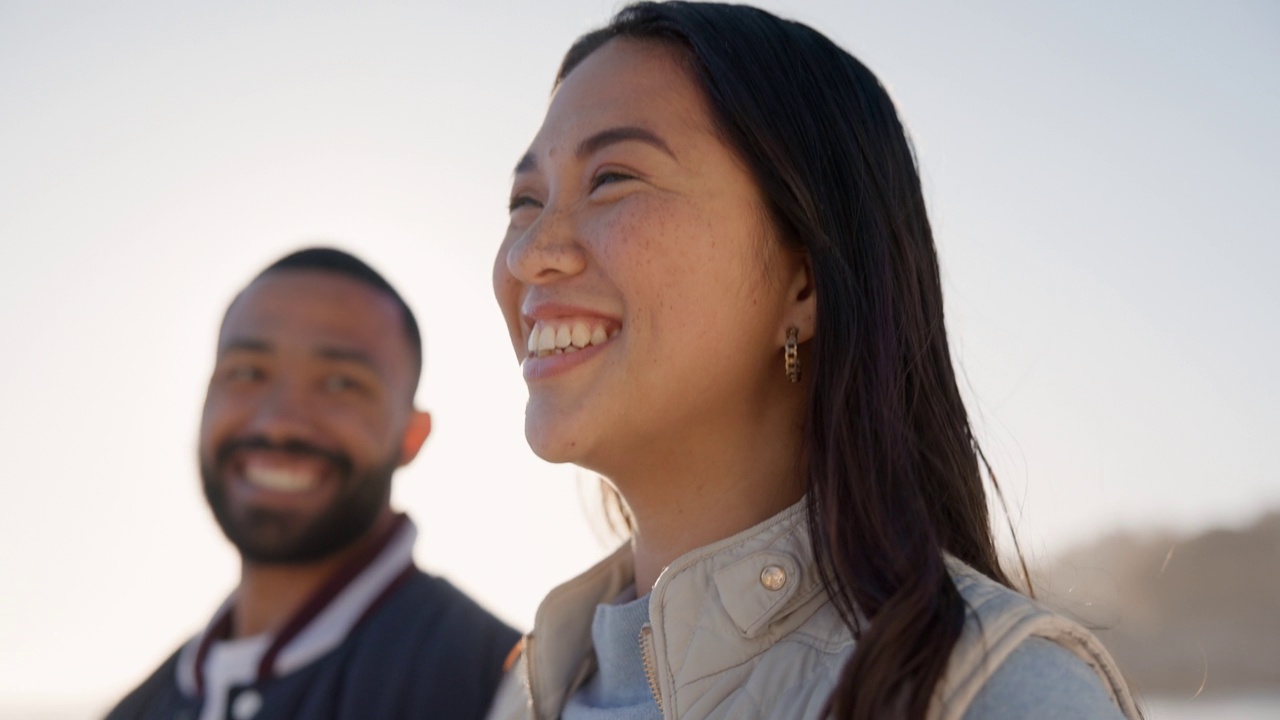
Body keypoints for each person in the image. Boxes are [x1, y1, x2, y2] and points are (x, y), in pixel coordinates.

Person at [489, 3, 1140, 719]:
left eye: (613, 178)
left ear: (805, 283)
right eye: (525, 200)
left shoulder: (993, 693)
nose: (529, 253)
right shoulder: (532, 690)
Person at [108, 247, 519, 720]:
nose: (280, 422)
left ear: (412, 435)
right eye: (247, 373)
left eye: (340, 383)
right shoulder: (138, 709)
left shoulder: (504, 687)